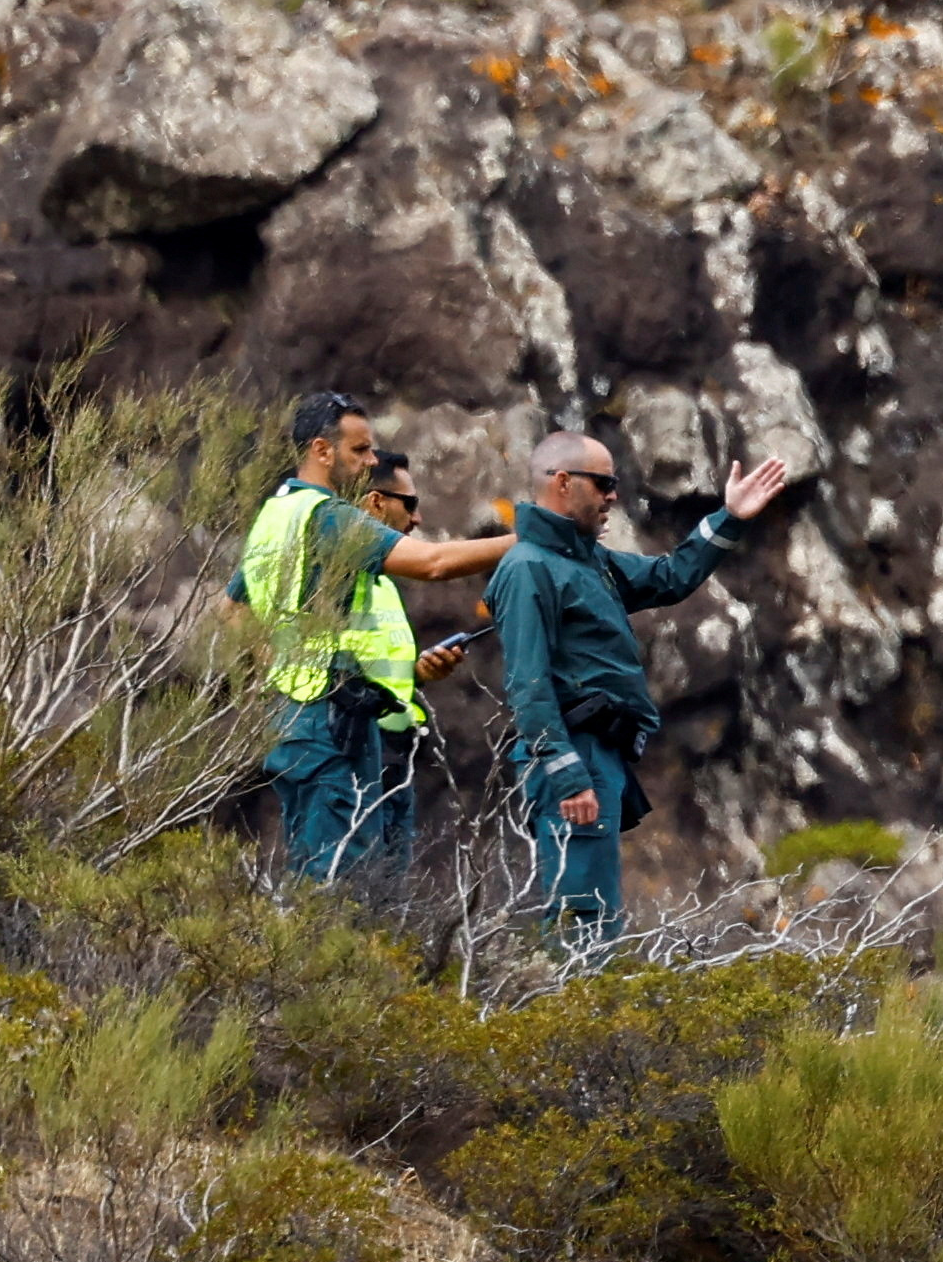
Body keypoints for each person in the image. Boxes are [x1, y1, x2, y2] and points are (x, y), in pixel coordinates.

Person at [492, 429, 793, 941]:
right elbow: (528, 683)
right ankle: (572, 1010)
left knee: (598, 911)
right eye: (604, 483)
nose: (613, 495)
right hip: (575, 755)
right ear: (564, 483)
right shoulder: (528, 568)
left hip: (598, 756)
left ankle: (586, 1008)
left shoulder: (588, 562)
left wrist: (730, 517)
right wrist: (568, 776)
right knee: (580, 916)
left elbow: (669, 578)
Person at [246, 394, 508, 881]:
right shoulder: (326, 516)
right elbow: (432, 562)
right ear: (322, 451)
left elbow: (230, 610)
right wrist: (527, 540)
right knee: (342, 885)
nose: (370, 463)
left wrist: (276, 667)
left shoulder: (273, 515)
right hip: (328, 719)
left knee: (319, 876)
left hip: (291, 715)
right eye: (360, 451)